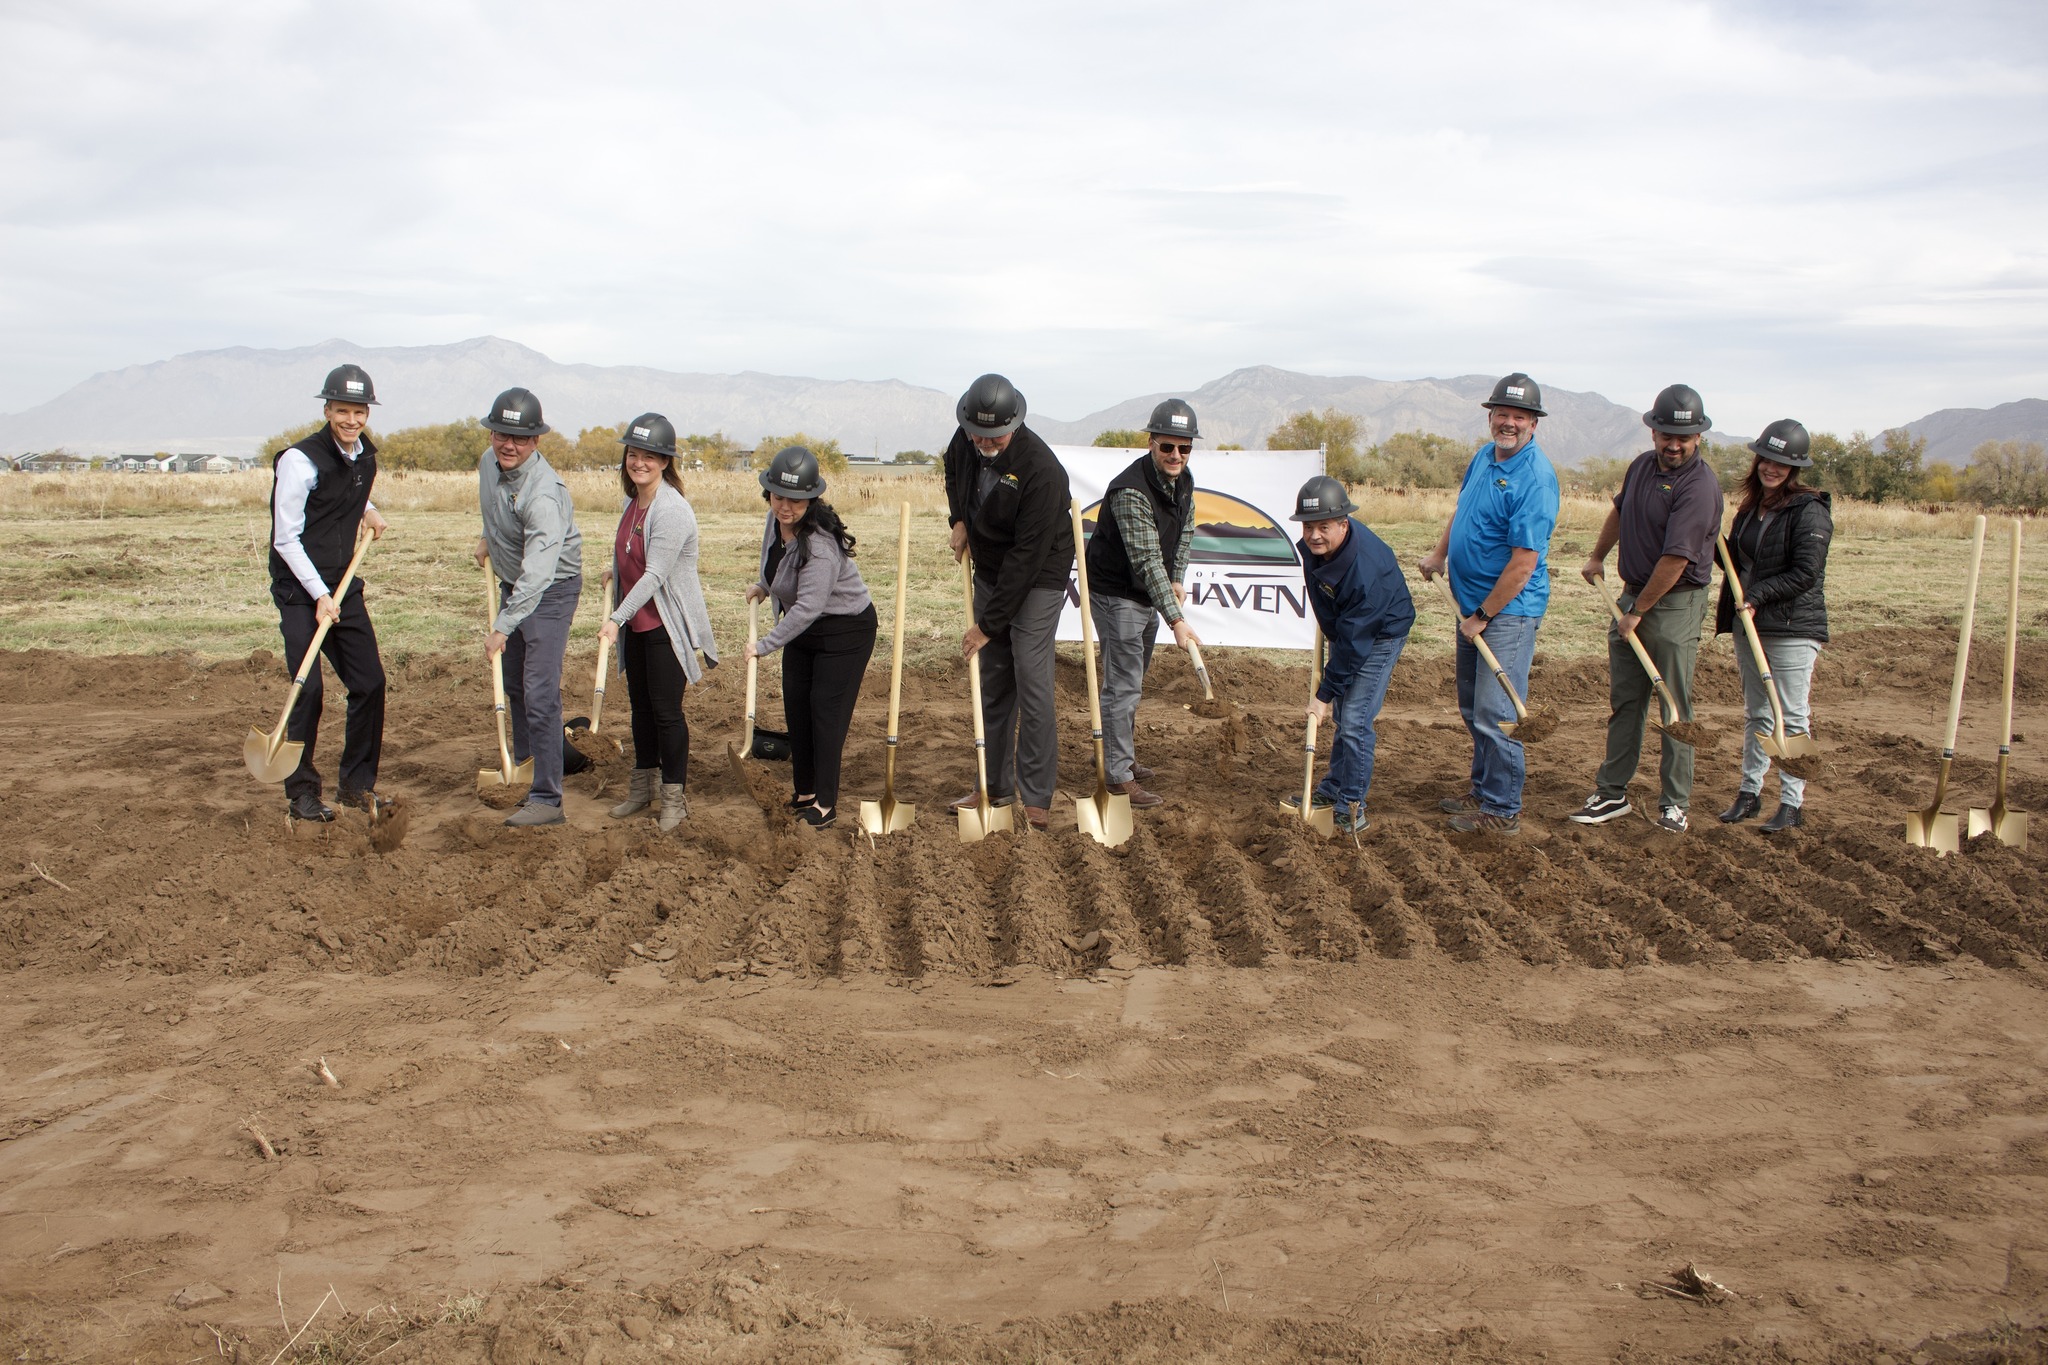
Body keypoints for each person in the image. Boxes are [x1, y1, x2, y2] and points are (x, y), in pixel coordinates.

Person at [1573, 383, 1723, 834]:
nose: (1673, 445)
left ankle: (1674, 803)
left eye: (1684, 438)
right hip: (1633, 594)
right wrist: (1598, 556)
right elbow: (1620, 512)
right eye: (1665, 436)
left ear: (1698, 438)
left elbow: (1677, 559)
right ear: (1653, 432)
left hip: (1673, 604)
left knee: (1673, 706)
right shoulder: (1641, 466)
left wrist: (1637, 611)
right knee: (1626, 700)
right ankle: (1612, 791)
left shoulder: (1700, 487)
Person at [1417, 373, 1561, 836]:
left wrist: (1484, 616)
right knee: (1470, 705)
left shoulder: (1535, 478)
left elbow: (1523, 564)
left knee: (1497, 712)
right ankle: (1482, 790)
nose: (1510, 423)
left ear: (1534, 424)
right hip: (1471, 605)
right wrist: (1441, 553)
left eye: (1520, 416)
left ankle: (1501, 810)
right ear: (1491, 416)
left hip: (1506, 613)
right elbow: (1463, 509)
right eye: (1503, 414)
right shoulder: (1483, 457)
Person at [942, 373, 1074, 832]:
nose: (984, 442)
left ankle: (1036, 796)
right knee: (993, 680)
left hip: (1038, 573)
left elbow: (1027, 560)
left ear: (1014, 423)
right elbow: (953, 468)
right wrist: (959, 518)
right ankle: (993, 787)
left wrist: (986, 626)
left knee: (1031, 678)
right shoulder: (966, 439)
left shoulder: (1042, 470)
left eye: (994, 435)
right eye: (978, 433)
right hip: (991, 566)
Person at [267, 363, 391, 822]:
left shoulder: (365, 456)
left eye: (359, 412)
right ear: (327, 409)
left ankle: (357, 787)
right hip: (301, 589)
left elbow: (346, 492)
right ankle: (301, 793)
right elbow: (285, 537)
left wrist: (370, 511)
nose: (351, 421)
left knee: (370, 682)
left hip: (343, 583)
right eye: (343, 411)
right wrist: (319, 595)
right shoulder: (299, 460)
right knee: (309, 689)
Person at [598, 413, 719, 834]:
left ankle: (673, 797)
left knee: (667, 714)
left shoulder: (672, 509)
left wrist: (616, 618)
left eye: (650, 456)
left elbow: (655, 575)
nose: (640, 462)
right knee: (641, 711)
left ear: (666, 461)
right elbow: (634, 557)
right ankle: (642, 786)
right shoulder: (632, 504)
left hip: (666, 629)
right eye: (634, 454)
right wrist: (616, 570)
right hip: (638, 626)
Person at [745, 447, 878, 829]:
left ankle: (825, 802)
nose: (785, 506)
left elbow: (807, 607)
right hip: (804, 628)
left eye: (796, 500)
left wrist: (763, 646)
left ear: (811, 499)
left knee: (825, 712)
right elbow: (777, 562)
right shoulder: (774, 521)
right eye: (779, 496)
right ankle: (803, 792)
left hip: (844, 630)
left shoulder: (820, 544)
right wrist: (765, 586)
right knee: (797, 708)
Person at [1083, 398, 1204, 808]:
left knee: (1131, 679)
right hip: (1117, 594)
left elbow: (1184, 533)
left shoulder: (1183, 481)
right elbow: (1146, 559)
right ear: (1151, 443)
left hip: (1144, 593)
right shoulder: (1130, 491)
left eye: (1184, 448)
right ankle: (1116, 775)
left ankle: (1122, 758)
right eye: (1167, 446)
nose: (1176, 455)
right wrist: (1177, 620)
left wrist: (1177, 579)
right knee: (1123, 684)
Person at [1714, 419, 1831, 834]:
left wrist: (1757, 596)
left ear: (1794, 468)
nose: (1772, 468)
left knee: (1792, 716)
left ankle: (1791, 803)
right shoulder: (1750, 508)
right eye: (1768, 459)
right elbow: (1739, 561)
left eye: (1782, 463)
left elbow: (1806, 573)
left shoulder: (1810, 511)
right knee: (1757, 712)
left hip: (1791, 627)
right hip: (1750, 623)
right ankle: (1749, 793)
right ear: (1758, 459)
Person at [475, 386, 583, 828]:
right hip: (514, 581)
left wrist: (503, 625)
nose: (509, 445)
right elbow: (494, 507)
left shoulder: (543, 494)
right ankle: (527, 767)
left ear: (536, 441)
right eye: (501, 434)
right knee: (516, 686)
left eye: (520, 438)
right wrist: (490, 538)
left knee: (539, 690)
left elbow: (538, 572)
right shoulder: (488, 463)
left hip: (551, 589)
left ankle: (548, 798)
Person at [1286, 475, 1414, 834]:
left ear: (1344, 524)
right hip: (1350, 627)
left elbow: (1358, 642)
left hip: (1381, 632)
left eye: (1323, 527)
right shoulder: (1316, 547)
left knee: (1355, 719)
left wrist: (1322, 695)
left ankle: (1352, 806)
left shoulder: (1365, 571)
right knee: (1346, 713)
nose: (1314, 535)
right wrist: (1330, 631)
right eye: (1308, 526)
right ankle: (1331, 790)